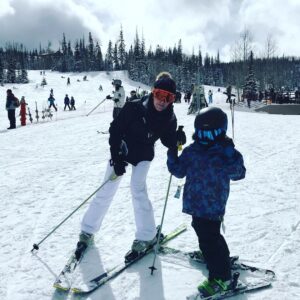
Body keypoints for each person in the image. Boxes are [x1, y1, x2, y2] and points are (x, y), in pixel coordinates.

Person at [75, 72, 186, 261]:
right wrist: (116, 157)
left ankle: (146, 236)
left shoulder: (169, 117)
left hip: (143, 154)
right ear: (153, 92)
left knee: (138, 189)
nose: (162, 101)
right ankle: (87, 231)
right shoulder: (134, 107)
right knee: (107, 187)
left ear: (173, 99)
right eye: (159, 94)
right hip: (123, 149)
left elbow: (167, 140)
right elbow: (115, 130)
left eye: (168, 97)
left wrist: (176, 139)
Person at [167, 107, 246, 297]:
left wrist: (230, 154)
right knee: (208, 236)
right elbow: (178, 170)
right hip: (196, 204)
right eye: (202, 133)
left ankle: (221, 278)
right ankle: (219, 259)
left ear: (221, 132)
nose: (205, 137)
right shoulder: (192, 150)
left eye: (210, 134)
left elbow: (239, 173)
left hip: (213, 205)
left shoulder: (224, 152)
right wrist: (172, 152)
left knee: (209, 238)